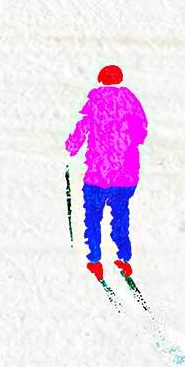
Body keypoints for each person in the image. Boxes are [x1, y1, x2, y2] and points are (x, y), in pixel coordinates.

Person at [65, 65, 148, 281]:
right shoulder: (131, 102)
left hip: (98, 175)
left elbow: (81, 131)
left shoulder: (95, 102)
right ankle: (124, 259)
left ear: (101, 79)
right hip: (126, 175)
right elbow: (141, 134)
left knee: (93, 217)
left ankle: (95, 259)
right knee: (120, 215)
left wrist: (71, 148)